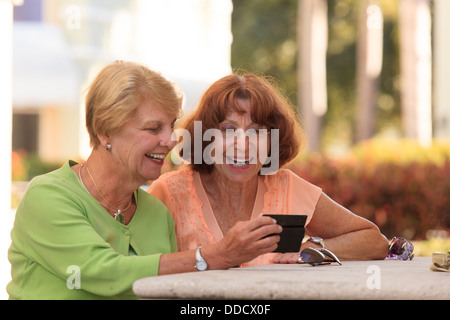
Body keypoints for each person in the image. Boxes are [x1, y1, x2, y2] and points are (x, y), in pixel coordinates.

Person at [7, 62, 281, 300]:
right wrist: (216, 255)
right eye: (153, 128)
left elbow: (172, 292)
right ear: (105, 131)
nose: (171, 139)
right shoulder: (48, 196)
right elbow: (102, 272)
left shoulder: (156, 212)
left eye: (171, 126)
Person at [148, 71, 389, 266]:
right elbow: (145, 268)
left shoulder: (287, 187)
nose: (242, 145)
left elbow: (373, 241)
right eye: (228, 130)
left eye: (256, 131)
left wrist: (309, 249)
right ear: (205, 138)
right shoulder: (169, 192)